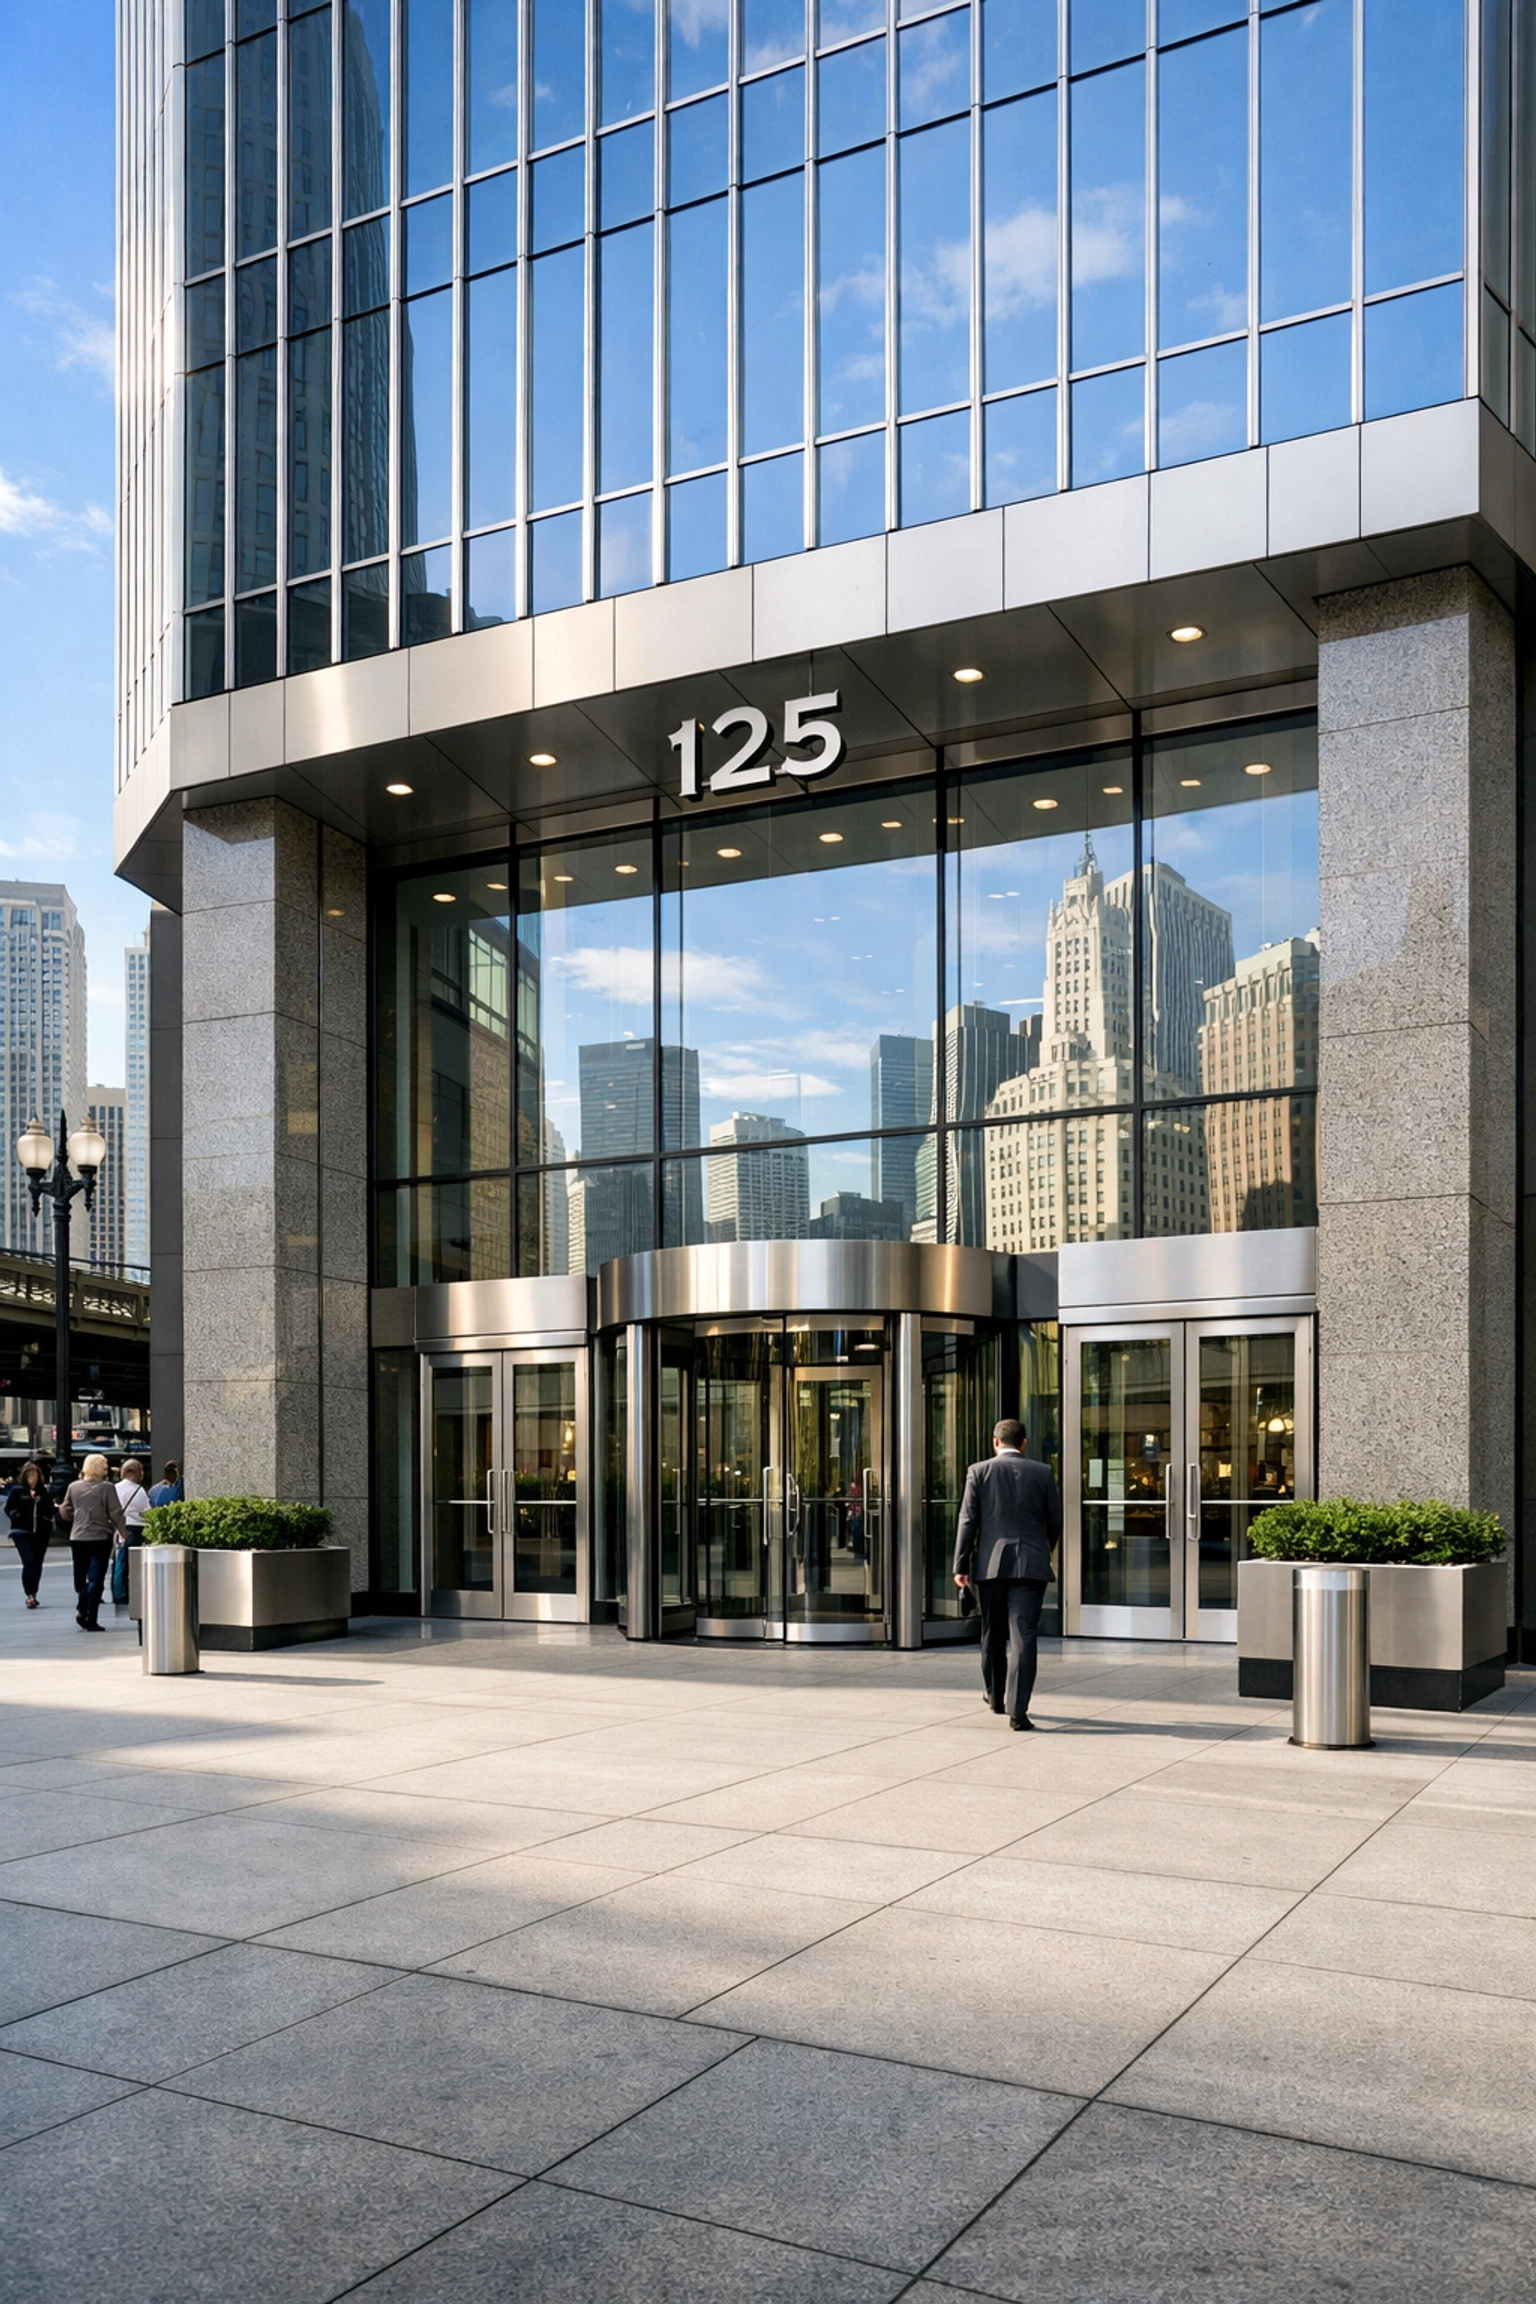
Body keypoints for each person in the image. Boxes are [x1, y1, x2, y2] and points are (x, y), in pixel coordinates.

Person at [953, 1417, 1062, 1731]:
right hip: (1031, 1564)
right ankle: (1018, 1711)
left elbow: (968, 1520)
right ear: (1024, 1443)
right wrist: (1041, 1549)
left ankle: (995, 1697)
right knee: (1023, 1636)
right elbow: (1055, 1520)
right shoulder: (1042, 1472)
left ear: (995, 1442)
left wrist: (961, 1565)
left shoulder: (978, 1471)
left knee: (992, 1632)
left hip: (991, 1565)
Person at [57, 1454, 127, 1633]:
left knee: (81, 1577)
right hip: (100, 1537)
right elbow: (116, 1512)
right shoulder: (107, 1488)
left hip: (77, 1537)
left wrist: (74, 1517)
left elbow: (65, 1508)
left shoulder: (73, 1487)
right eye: (105, 1465)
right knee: (96, 1578)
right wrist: (123, 1531)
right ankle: (89, 1615)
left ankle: (83, 1607)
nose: (107, 1468)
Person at [5, 1460, 57, 1609]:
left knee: (37, 1563)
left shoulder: (43, 1492)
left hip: (40, 1532)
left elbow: (49, 1509)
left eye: (35, 1475)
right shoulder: (18, 1491)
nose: (32, 1478)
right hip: (21, 1531)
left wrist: (47, 1517)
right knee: (29, 1562)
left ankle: (34, 1592)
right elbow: (9, 1508)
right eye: (29, 1475)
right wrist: (17, 1516)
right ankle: (29, 1594)